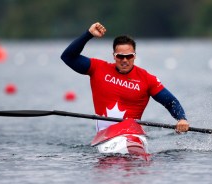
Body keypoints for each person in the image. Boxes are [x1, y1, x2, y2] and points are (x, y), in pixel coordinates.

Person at [61, 22, 189, 133]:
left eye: (129, 56)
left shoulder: (147, 79)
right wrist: (88, 34)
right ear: (113, 56)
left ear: (134, 56)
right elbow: (68, 57)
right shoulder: (97, 68)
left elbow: (171, 102)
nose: (125, 60)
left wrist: (182, 119)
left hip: (133, 135)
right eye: (120, 56)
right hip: (105, 136)